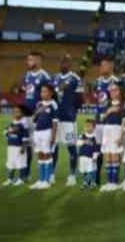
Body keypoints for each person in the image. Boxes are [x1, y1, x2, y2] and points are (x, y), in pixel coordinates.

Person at [20, 51, 52, 182]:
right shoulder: (26, 75)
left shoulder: (45, 76)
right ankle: (25, 174)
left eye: (31, 60)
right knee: (26, 145)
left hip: (38, 117)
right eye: (27, 60)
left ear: (38, 61)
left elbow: (50, 97)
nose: (28, 62)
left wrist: (40, 112)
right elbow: (26, 91)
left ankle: (46, 176)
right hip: (26, 115)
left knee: (41, 147)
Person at [54, 55, 81, 185]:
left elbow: (80, 99)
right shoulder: (55, 78)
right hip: (55, 120)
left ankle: (72, 175)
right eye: (61, 61)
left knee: (71, 148)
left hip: (69, 119)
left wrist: (72, 110)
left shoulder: (75, 79)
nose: (62, 64)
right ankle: (51, 174)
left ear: (70, 64)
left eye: (65, 62)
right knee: (54, 147)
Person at [28, 83, 58, 190]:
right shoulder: (39, 104)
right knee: (40, 154)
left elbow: (55, 122)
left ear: (51, 93)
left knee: (47, 155)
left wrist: (53, 136)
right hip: (38, 132)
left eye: (45, 91)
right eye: (41, 91)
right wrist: (37, 112)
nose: (42, 93)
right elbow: (33, 119)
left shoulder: (53, 104)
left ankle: (47, 180)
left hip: (47, 132)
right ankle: (40, 180)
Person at [99, 83, 125, 192]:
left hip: (116, 129)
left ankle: (114, 182)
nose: (113, 92)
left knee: (115, 155)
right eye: (111, 90)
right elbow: (101, 118)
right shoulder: (107, 103)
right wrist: (108, 112)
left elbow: (124, 121)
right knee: (107, 155)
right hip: (107, 130)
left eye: (115, 90)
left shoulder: (123, 105)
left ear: (120, 92)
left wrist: (121, 136)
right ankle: (109, 182)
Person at [3, 110, 30, 188]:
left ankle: (21, 179)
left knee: (21, 163)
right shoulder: (11, 124)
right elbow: (5, 132)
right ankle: (10, 179)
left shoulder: (23, 124)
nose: (16, 114)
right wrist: (10, 131)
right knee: (11, 163)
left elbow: (26, 137)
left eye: (18, 112)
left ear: (22, 114)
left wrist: (23, 147)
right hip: (11, 147)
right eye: (14, 112)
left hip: (19, 147)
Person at [76, 120, 99, 191]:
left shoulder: (95, 138)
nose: (87, 128)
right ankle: (87, 182)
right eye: (86, 126)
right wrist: (84, 141)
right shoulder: (82, 135)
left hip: (90, 157)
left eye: (89, 126)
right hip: (82, 156)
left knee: (91, 170)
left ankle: (90, 183)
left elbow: (96, 149)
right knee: (85, 170)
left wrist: (95, 157)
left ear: (94, 128)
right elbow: (77, 143)